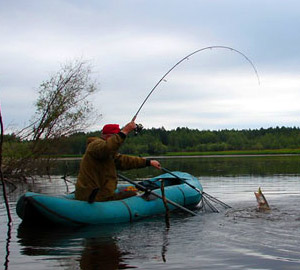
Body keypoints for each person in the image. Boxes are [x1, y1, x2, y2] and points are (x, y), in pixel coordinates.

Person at [75, 119, 161, 202]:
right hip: (96, 197)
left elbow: (124, 161)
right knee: (132, 194)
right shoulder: (95, 146)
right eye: (116, 136)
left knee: (129, 192)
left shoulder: (107, 153)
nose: (119, 141)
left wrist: (148, 162)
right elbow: (107, 147)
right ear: (110, 136)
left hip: (96, 195)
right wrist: (125, 131)